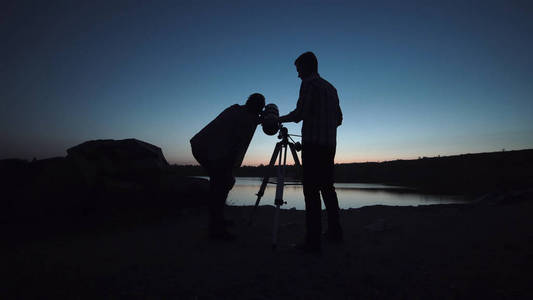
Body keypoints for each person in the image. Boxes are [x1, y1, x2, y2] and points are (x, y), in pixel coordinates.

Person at [279, 52, 343, 252]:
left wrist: (277, 120)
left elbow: (299, 114)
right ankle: (335, 233)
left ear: (307, 67)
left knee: (311, 192)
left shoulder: (309, 84)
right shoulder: (331, 88)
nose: (298, 74)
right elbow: (339, 119)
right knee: (328, 189)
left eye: (299, 69)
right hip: (329, 146)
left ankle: (312, 242)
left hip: (313, 146)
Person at [190, 93, 265, 240]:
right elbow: (233, 145)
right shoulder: (244, 119)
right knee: (220, 186)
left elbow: (253, 120)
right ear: (257, 107)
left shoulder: (239, 110)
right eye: (260, 108)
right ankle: (216, 230)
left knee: (224, 183)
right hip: (208, 150)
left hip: (204, 146)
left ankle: (218, 221)